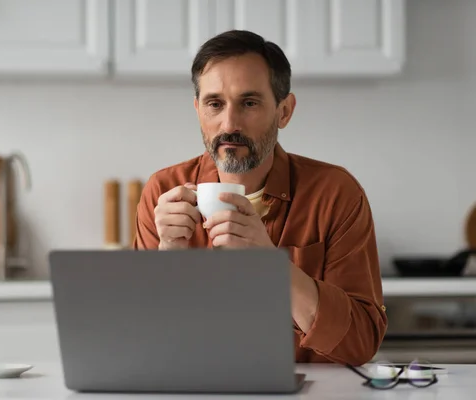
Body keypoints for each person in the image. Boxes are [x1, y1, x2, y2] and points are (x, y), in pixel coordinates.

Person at [132, 29, 387, 366]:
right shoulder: (163, 191)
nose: (229, 123)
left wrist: (273, 265)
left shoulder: (335, 193)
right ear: (198, 109)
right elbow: (141, 347)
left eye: (249, 103)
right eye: (214, 104)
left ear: (284, 111)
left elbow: (361, 343)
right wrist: (168, 258)